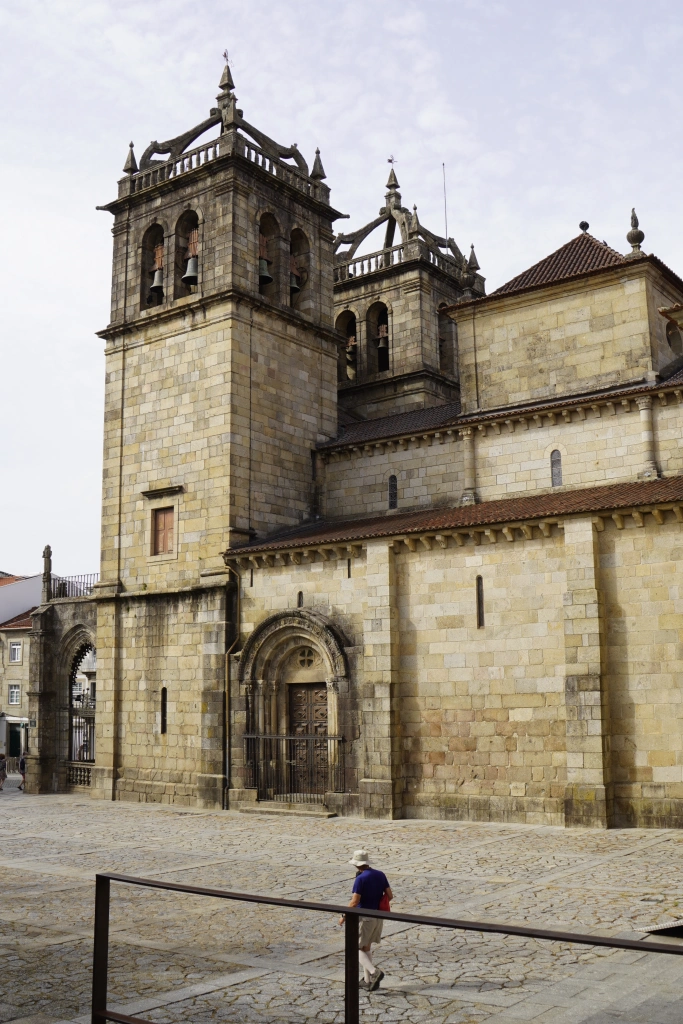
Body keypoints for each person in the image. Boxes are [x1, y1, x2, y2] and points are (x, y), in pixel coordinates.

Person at [339, 849, 392, 992]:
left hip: (364, 917)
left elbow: (354, 902)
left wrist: (344, 916)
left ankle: (374, 973)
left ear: (356, 864)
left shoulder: (360, 879)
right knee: (366, 947)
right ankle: (367, 981)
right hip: (377, 915)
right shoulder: (380, 874)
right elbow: (389, 895)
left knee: (354, 948)